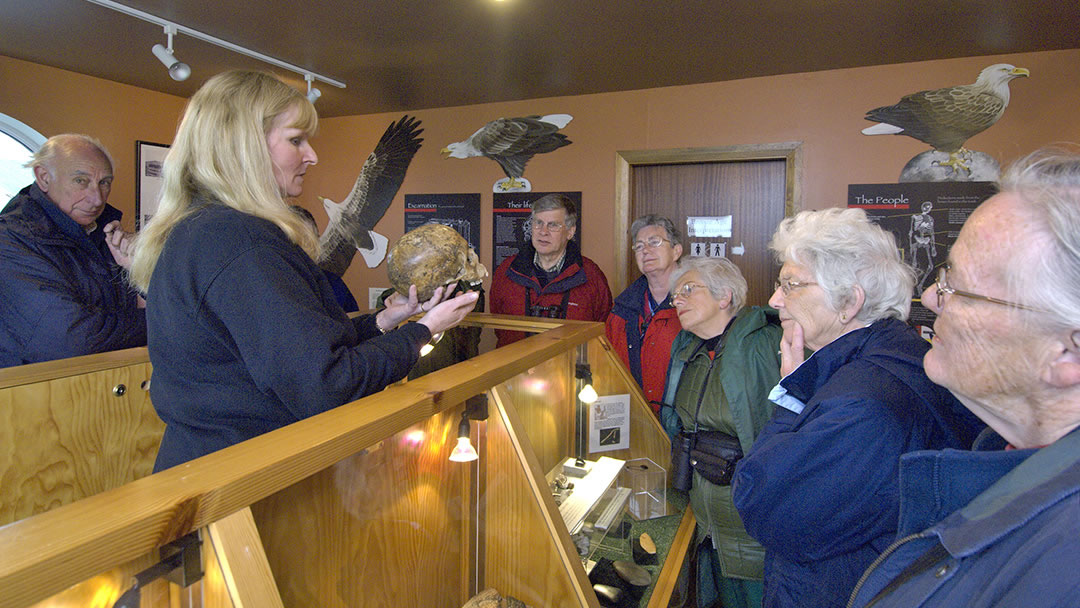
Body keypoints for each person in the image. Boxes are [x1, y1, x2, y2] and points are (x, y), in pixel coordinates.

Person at [129, 71, 477, 471]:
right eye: (296, 140)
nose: (311, 155)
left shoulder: (205, 229)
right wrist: (425, 329)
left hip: (218, 467)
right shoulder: (240, 242)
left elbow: (293, 351)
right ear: (245, 147)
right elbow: (325, 385)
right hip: (240, 482)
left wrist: (384, 321)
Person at [848, 147, 1080, 608]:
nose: (932, 297)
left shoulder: (1063, 567)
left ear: (1067, 352)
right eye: (943, 274)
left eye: (958, 286)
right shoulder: (1005, 454)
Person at [730, 208, 983, 608]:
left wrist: (792, 396)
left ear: (848, 300)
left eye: (791, 284)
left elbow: (763, 506)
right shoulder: (899, 354)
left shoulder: (860, 405)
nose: (774, 298)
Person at [659, 256, 781, 608]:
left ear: (724, 296)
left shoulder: (764, 343)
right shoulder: (687, 351)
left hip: (754, 527)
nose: (676, 300)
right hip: (709, 527)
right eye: (674, 294)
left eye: (688, 290)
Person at [0, 133, 145, 367]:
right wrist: (162, 321)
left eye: (104, 182)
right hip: (33, 398)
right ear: (44, 177)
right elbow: (73, 340)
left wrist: (138, 271)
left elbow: (143, 302)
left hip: (105, 389)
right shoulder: (11, 239)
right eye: (81, 181)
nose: (97, 199)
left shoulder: (104, 234)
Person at [490, 194, 612, 346]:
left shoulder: (591, 276)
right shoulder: (506, 271)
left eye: (553, 225)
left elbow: (603, 330)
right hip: (515, 368)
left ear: (570, 232)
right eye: (538, 223)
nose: (543, 231)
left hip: (569, 368)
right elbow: (499, 327)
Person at [606, 215, 683, 411]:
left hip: (682, 424)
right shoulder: (621, 311)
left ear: (676, 251)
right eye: (639, 246)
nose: (645, 251)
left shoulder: (695, 306)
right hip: (633, 419)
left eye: (654, 242)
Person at [289, 205, 359, 312]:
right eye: (299, 240)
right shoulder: (270, 285)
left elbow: (354, 322)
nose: (306, 247)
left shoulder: (333, 284)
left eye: (311, 239)